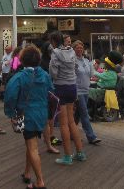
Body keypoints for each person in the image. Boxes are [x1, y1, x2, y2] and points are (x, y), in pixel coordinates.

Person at [4, 45, 52, 189]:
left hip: (27, 115)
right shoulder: (45, 75)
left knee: (32, 147)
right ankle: (27, 173)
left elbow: (10, 97)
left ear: (22, 60)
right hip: (42, 114)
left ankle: (40, 182)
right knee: (31, 145)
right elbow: (51, 91)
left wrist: (11, 113)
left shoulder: (19, 77)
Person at [49, 31, 85, 165]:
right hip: (72, 87)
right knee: (72, 122)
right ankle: (80, 153)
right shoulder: (71, 51)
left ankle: (67, 156)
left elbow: (53, 73)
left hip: (60, 87)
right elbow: (75, 67)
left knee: (63, 123)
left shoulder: (55, 53)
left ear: (54, 41)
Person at [73, 41, 100, 145]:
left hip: (86, 90)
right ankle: (91, 136)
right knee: (84, 113)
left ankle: (71, 132)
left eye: (81, 48)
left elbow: (92, 74)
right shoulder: (72, 61)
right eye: (77, 48)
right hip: (77, 91)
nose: (80, 49)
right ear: (74, 49)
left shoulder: (86, 61)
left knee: (78, 114)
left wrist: (98, 76)